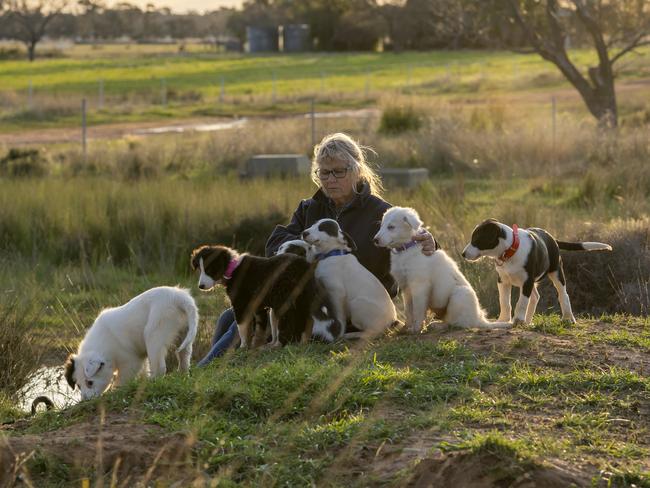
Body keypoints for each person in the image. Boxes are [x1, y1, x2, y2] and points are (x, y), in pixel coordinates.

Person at [197, 133, 436, 366]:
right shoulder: (309, 208)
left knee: (244, 315)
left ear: (357, 170)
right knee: (231, 315)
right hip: (308, 301)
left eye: (338, 172)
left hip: (356, 311)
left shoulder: (380, 213)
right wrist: (294, 254)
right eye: (324, 172)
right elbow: (279, 240)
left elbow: (418, 248)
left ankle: (208, 372)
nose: (330, 179)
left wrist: (428, 243)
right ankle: (208, 371)